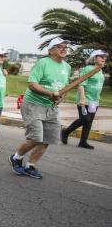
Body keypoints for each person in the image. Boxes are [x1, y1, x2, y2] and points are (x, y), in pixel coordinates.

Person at [10, 37, 101, 179]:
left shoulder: (67, 67)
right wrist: (51, 93)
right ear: (51, 50)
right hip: (33, 104)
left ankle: (30, 166)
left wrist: (60, 97)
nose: (64, 49)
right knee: (36, 137)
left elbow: (64, 88)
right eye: (59, 46)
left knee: (48, 139)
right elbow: (32, 84)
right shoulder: (43, 63)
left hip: (51, 107)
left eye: (65, 47)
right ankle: (16, 157)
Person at [61, 49, 107, 149]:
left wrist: (97, 99)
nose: (104, 58)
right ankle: (65, 132)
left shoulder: (100, 71)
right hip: (85, 99)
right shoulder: (88, 69)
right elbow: (81, 83)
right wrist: (82, 98)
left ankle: (83, 142)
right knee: (84, 118)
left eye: (105, 57)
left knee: (89, 121)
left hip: (94, 101)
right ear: (95, 58)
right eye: (101, 56)